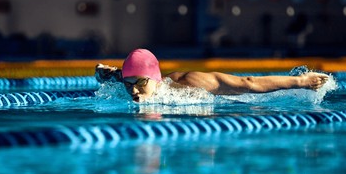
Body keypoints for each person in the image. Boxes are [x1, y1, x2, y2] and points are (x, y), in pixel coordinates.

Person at [95, 48, 329, 103]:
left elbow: (248, 83)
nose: (133, 90)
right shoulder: (134, 82)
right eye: (128, 84)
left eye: (139, 83)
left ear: (154, 79)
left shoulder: (190, 82)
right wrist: (111, 74)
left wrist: (300, 81)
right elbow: (105, 72)